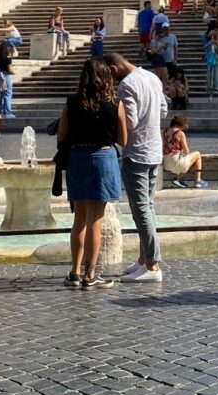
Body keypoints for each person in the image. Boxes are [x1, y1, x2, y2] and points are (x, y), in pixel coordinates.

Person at [60, 59, 127, 289]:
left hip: (78, 158)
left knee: (79, 218)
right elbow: (123, 139)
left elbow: (61, 136)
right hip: (103, 158)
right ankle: (91, 274)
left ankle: (75, 271)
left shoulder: (71, 102)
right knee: (95, 220)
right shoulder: (114, 104)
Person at [105, 53, 167, 284]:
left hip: (137, 151)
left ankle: (153, 263)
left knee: (141, 209)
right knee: (147, 207)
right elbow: (162, 111)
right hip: (154, 150)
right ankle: (144, 260)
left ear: (114, 68)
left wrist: (113, 112)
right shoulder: (151, 77)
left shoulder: (127, 85)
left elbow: (129, 122)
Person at [162, 115, 207, 188]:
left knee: (186, 161)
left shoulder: (164, 132)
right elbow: (186, 151)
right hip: (177, 162)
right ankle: (197, 181)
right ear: (180, 125)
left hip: (166, 163)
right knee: (197, 155)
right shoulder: (179, 133)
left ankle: (178, 178)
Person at [0, 41, 15, 121]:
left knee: (0, 95)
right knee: (7, 94)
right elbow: (10, 69)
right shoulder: (8, 58)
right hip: (6, 75)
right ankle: (7, 112)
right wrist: (13, 71)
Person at [204, 31, 218, 102]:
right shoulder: (211, 42)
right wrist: (211, 42)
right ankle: (211, 96)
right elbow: (205, 47)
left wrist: (217, 43)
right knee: (211, 77)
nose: (216, 36)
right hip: (211, 61)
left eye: (217, 34)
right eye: (215, 34)